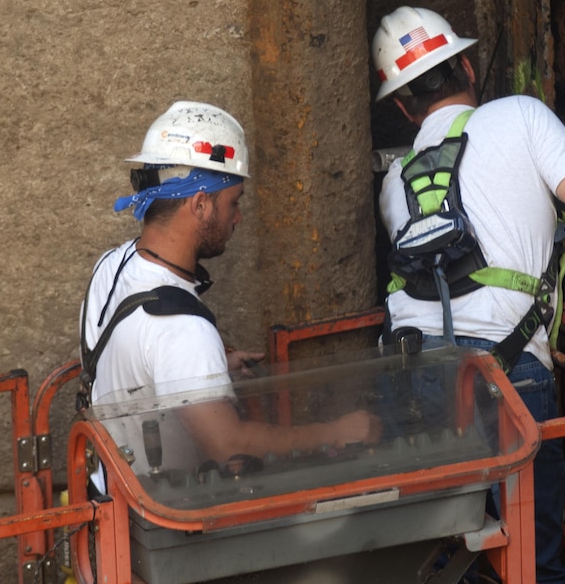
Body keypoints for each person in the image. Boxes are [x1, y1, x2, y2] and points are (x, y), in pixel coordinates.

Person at [372, 8, 565, 584]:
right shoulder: (519, 114)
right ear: (465, 64)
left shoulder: (395, 182)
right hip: (505, 379)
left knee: (448, 571)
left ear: (403, 108)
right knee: (533, 576)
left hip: (410, 386)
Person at [80, 101, 380, 477]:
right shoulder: (183, 330)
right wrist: (334, 432)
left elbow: (138, 365)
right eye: (233, 202)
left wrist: (209, 368)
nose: (237, 217)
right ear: (201, 203)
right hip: (162, 523)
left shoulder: (112, 265)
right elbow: (228, 446)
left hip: (111, 495)